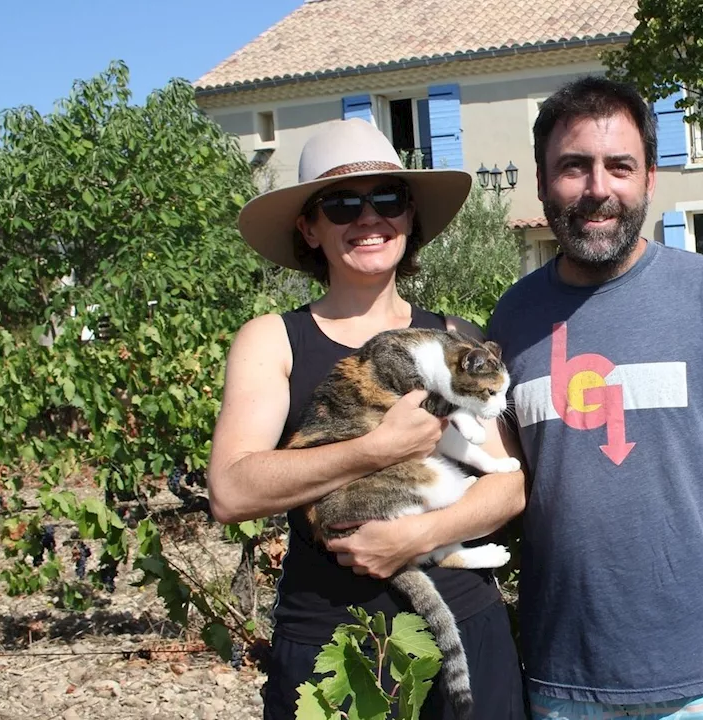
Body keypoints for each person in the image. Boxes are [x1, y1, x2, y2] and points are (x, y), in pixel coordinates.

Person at [486, 77, 703, 720]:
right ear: (540, 181)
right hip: (562, 685)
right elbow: (501, 484)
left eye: (619, 166)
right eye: (574, 167)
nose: (598, 189)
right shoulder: (512, 319)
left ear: (650, 179)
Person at [208, 118, 527, 720]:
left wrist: (416, 537)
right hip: (334, 646)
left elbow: (509, 484)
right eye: (341, 203)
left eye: (388, 198)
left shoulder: (458, 338)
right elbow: (230, 490)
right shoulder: (274, 341)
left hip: (461, 622)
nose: (369, 217)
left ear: (409, 216)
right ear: (309, 227)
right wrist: (375, 450)